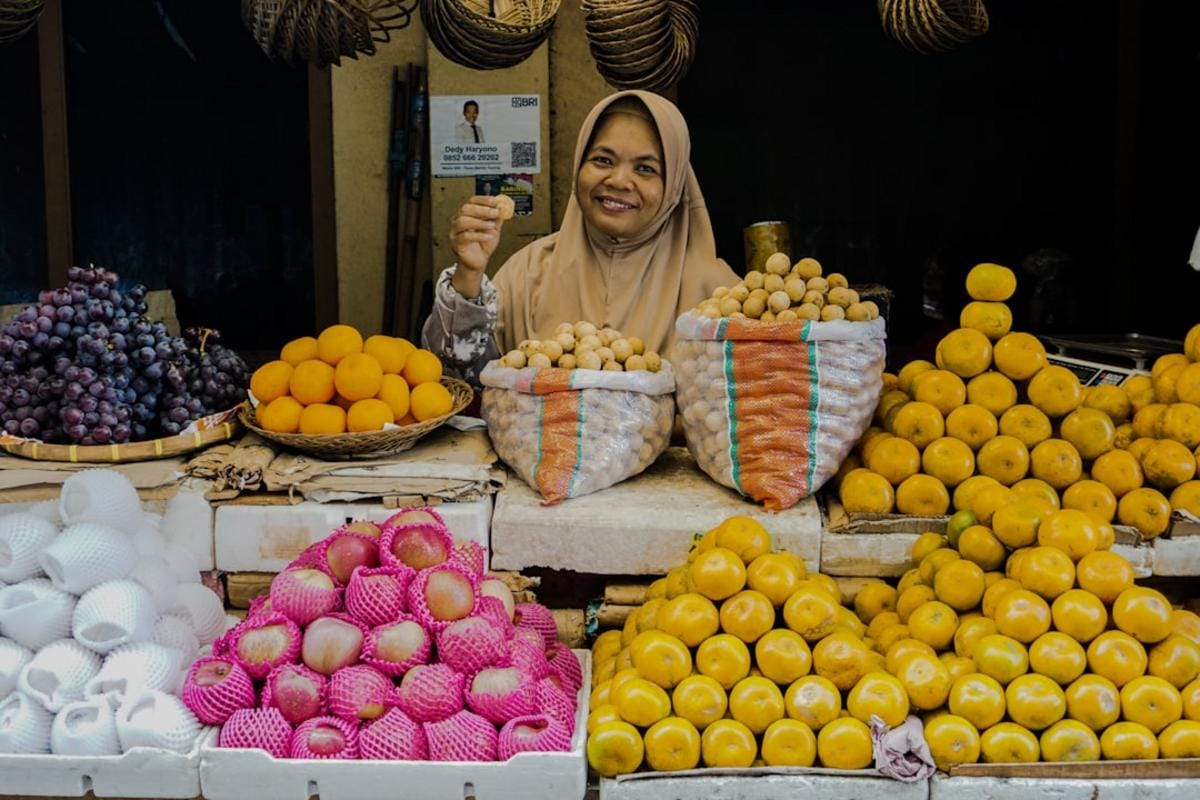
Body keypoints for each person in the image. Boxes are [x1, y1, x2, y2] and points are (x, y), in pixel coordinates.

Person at [423, 90, 738, 387]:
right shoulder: (529, 272)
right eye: (602, 160)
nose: (618, 180)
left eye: (645, 168)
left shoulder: (717, 295)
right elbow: (459, 384)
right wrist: (469, 275)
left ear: (674, 187)